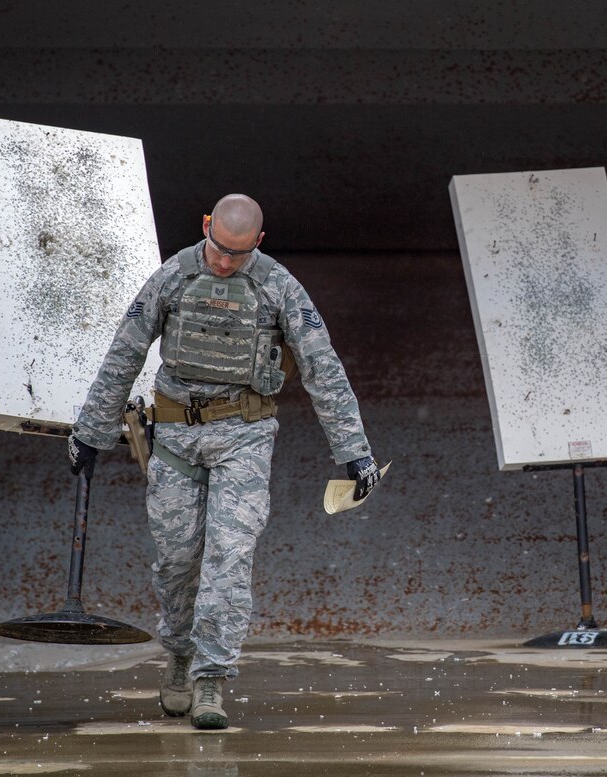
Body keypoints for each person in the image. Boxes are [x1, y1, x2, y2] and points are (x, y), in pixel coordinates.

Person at [66, 194, 380, 730]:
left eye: (237, 254)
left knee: (228, 561)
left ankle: (211, 679)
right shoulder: (172, 277)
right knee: (177, 561)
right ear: (206, 226)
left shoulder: (279, 286)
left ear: (258, 241)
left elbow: (322, 367)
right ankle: (181, 658)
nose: (224, 263)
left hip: (244, 437)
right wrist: (92, 432)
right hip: (173, 439)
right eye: (218, 250)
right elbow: (126, 350)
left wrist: (354, 452)